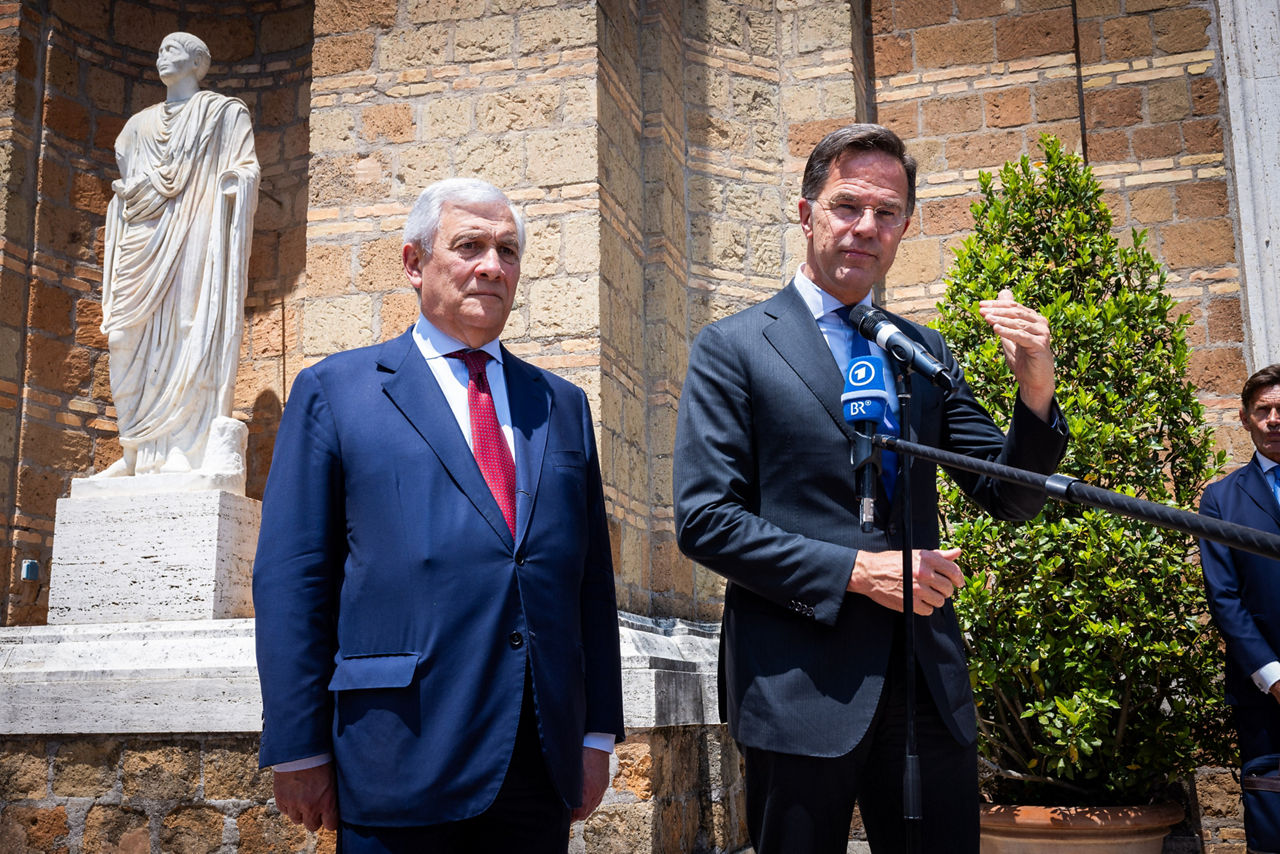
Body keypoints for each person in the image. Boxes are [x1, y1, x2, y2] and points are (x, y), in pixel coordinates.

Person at [672, 124, 1068, 853]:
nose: (866, 227)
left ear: (905, 228)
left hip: (926, 690)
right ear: (806, 212)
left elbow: (1008, 495)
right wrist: (860, 573)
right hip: (798, 689)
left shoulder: (919, 351)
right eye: (848, 205)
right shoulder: (733, 347)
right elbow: (706, 519)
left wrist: (1035, 390)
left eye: (887, 213)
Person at [253, 178, 625, 853]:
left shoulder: (561, 404)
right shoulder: (337, 393)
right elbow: (292, 580)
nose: (492, 266)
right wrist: (298, 746)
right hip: (397, 753)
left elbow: (589, 581)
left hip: (537, 760)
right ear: (413, 263)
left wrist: (597, 731)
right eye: (469, 246)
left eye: (507, 251)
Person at [98, 32, 259, 481]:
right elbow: (129, 181)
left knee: (192, 327)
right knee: (122, 336)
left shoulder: (224, 113)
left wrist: (234, 184)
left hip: (196, 228)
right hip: (143, 234)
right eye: (159, 48)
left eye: (171, 50)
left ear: (196, 62)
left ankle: (184, 447)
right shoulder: (136, 126)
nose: (160, 55)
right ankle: (133, 448)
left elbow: (246, 169)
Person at [1200, 364, 1280, 847]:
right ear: (1246, 419)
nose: (1275, 420)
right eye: (1263, 410)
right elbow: (1224, 597)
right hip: (1264, 696)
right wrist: (1274, 678)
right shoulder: (1221, 500)